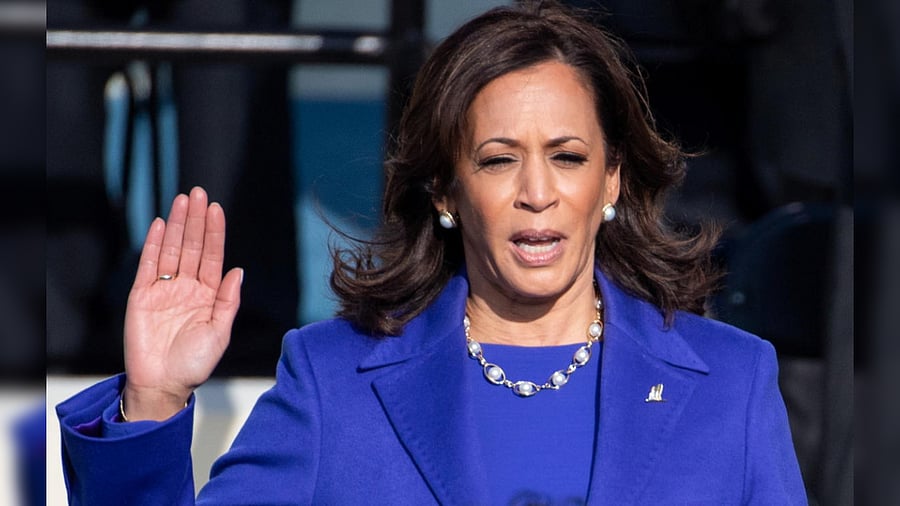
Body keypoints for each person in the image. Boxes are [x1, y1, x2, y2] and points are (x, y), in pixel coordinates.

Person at [56, 2, 806, 504]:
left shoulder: (733, 385)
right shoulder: (332, 381)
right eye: (498, 159)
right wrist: (154, 401)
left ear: (611, 178)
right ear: (446, 190)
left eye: (569, 157)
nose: (537, 192)